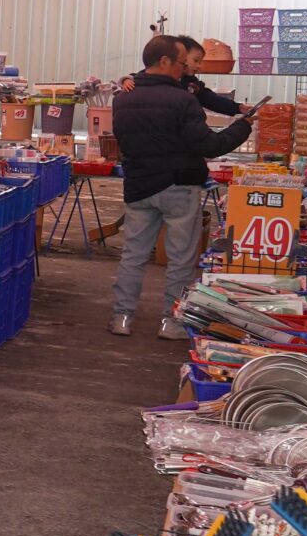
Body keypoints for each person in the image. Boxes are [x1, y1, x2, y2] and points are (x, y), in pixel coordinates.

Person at [108, 35, 252, 338]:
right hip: (180, 186)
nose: (185, 68)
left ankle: (122, 318)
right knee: (180, 259)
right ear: (165, 62)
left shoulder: (122, 98)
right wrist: (242, 126)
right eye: (181, 63)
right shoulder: (182, 99)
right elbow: (209, 145)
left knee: (134, 255)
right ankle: (171, 322)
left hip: (138, 186)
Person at [172, 36, 244, 117]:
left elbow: (210, 99)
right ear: (181, 57)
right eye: (195, 60)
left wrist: (238, 107)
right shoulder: (169, 84)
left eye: (200, 62)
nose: (199, 66)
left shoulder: (192, 82)